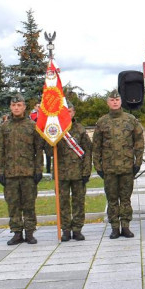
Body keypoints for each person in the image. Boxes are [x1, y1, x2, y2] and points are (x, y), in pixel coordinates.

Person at [93, 89, 144, 239]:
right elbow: (96, 146)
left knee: (126, 199)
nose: (115, 102)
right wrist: (98, 166)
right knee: (112, 199)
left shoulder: (130, 120)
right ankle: (115, 227)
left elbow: (139, 142)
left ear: (121, 101)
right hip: (109, 168)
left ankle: (126, 226)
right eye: (112, 100)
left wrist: (138, 163)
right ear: (108, 102)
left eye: (117, 100)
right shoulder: (102, 122)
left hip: (127, 167)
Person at [0, 94, 45, 245]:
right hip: (10, 174)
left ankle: (29, 232)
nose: (16, 108)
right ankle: (17, 233)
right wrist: (1, 172)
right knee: (13, 204)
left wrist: (38, 170)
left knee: (29, 204)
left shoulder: (32, 126)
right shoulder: (4, 127)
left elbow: (38, 150)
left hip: (28, 173)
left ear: (24, 107)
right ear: (10, 107)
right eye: (14, 105)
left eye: (19, 105)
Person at [50, 104, 94, 242]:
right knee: (62, 203)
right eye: (64, 111)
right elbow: (48, 150)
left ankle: (77, 229)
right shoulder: (56, 130)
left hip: (78, 173)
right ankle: (66, 230)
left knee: (78, 202)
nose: (67, 114)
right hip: (61, 173)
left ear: (74, 113)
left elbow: (87, 151)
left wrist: (87, 171)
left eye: (69, 111)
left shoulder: (80, 129)